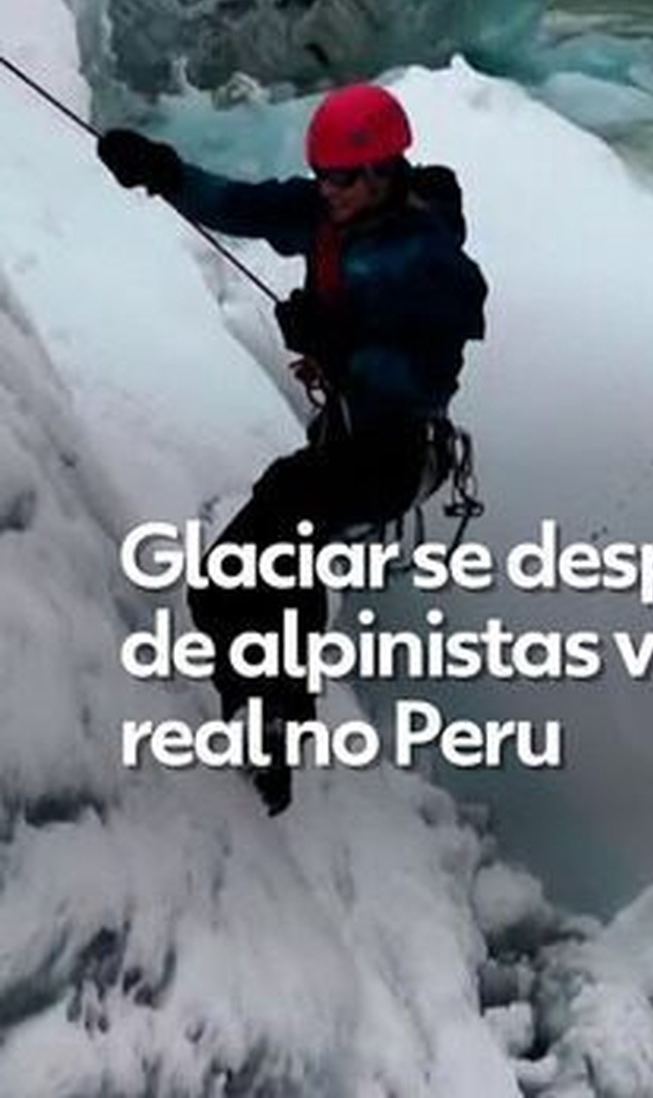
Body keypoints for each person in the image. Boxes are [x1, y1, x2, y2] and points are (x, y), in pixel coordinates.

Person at [97, 82, 487, 814]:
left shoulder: (426, 259)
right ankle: (273, 719)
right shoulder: (328, 213)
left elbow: (427, 370)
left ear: (382, 172)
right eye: (322, 176)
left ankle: (272, 726)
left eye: (341, 178)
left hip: (395, 453)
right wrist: (163, 170)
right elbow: (241, 206)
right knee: (266, 567)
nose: (327, 190)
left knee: (237, 575)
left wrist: (340, 345)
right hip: (348, 443)